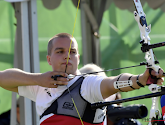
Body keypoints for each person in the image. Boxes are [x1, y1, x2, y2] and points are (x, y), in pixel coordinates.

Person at [0, 33, 164, 125]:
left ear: (78, 57)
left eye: (72, 52)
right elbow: (3, 78)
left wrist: (141, 79)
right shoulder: (41, 86)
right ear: (49, 59)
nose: (67, 56)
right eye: (60, 51)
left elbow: (112, 83)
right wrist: (38, 79)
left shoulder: (87, 84)